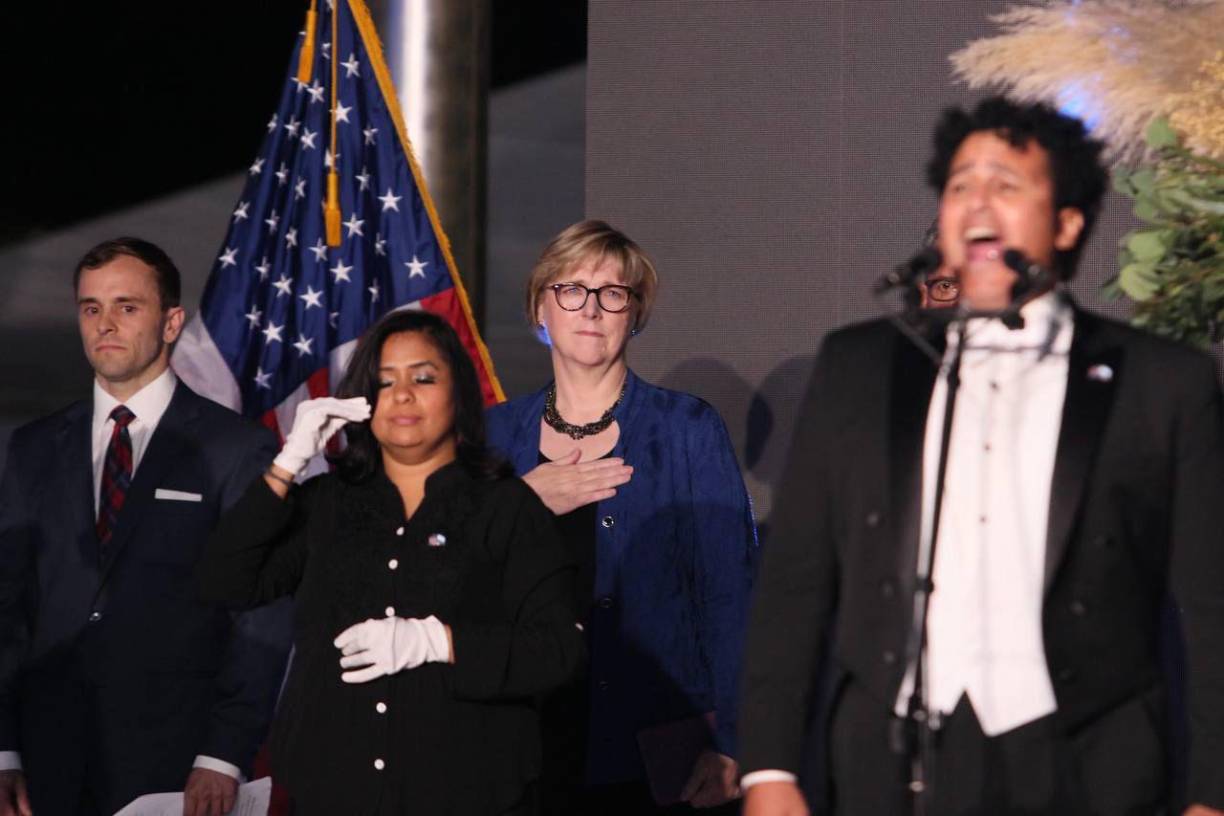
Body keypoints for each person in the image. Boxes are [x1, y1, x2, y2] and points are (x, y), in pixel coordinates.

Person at [739, 97, 1224, 816]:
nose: (976, 203)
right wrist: (769, 770)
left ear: (1066, 221)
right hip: (890, 763)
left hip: (1088, 765)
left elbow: (1211, 606)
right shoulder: (860, 366)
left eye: (1007, 185)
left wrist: (1212, 795)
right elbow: (796, 583)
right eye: (960, 184)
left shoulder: (1162, 381)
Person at [197, 309, 585, 816]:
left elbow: (561, 649)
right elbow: (223, 581)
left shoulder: (506, 506)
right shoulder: (325, 503)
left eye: (424, 378)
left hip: (468, 792)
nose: (402, 395)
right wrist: (287, 464)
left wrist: (439, 642)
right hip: (332, 793)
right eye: (384, 381)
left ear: (459, 393)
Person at [0, 237, 291, 816]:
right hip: (45, 763)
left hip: (177, 765)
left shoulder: (236, 449)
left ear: (171, 322)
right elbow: (8, 606)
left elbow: (261, 616)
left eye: (127, 307)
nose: (105, 324)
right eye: (91, 308)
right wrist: (4, 749)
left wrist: (222, 755)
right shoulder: (32, 448)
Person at [486, 220, 757, 814]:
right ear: (540, 307)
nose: (591, 309)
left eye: (613, 293)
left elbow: (731, 596)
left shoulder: (687, 428)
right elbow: (450, 584)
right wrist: (518, 507)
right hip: (520, 743)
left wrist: (735, 740)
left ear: (634, 314)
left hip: (658, 748)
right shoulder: (492, 438)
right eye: (571, 290)